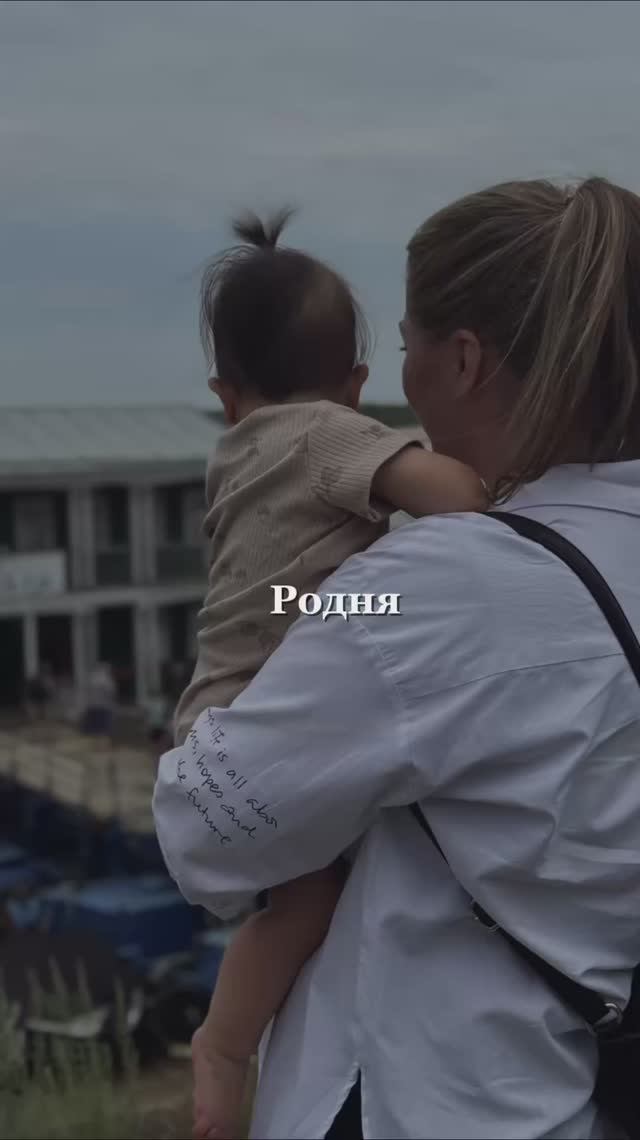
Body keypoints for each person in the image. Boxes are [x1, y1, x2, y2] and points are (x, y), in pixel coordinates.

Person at [154, 175, 640, 1140]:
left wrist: (303, 614)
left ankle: (219, 1047)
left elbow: (206, 828)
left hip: (415, 1099)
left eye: (411, 344)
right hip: (572, 1091)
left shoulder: (437, 586)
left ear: (463, 360)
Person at [171, 208, 486, 1140]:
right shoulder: (326, 436)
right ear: (356, 383)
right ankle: (225, 1047)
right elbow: (460, 497)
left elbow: (284, 587)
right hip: (259, 701)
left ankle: (236, 1046)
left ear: (226, 394)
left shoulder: (238, 452)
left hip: (222, 691)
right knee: (312, 898)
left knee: (304, 898)